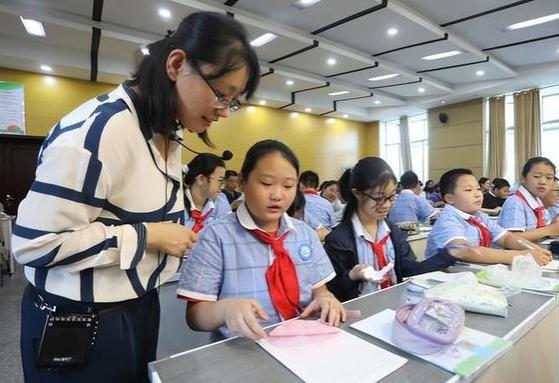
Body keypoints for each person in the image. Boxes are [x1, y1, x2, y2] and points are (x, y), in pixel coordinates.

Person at [12, 12, 260, 383]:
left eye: (234, 101)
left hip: (137, 307)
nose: (225, 111)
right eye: (222, 95)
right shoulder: (101, 131)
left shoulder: (165, 129)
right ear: (177, 64)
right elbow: (34, 244)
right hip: (80, 320)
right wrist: (150, 236)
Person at [177, 140, 345, 340]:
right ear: (242, 181)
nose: (277, 195)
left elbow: (319, 288)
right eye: (266, 183)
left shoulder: (305, 233)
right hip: (244, 350)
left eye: (288, 185)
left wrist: (325, 297)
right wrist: (224, 310)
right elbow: (195, 317)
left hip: (303, 342)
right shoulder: (214, 237)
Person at [323, 158, 459, 302]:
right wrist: (352, 276)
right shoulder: (339, 239)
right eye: (380, 198)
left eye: (392, 197)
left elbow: (409, 270)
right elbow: (331, 290)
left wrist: (449, 255)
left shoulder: (392, 232)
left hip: (393, 306)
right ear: (357, 194)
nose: (387, 205)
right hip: (360, 313)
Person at [425, 169, 551, 265]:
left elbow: (506, 238)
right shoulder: (448, 219)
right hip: (444, 281)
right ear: (449, 199)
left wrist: (534, 249)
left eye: (478, 189)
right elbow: (464, 251)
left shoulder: (479, 216)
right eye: (469, 190)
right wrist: (521, 256)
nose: (478, 195)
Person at [499, 157, 559, 242]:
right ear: (523, 178)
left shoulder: (538, 201)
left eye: (549, 178)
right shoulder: (515, 202)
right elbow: (512, 238)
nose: (543, 182)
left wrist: (555, 228)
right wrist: (549, 230)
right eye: (537, 176)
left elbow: (541, 231)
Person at [182, 151, 232, 234]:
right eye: (220, 180)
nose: (222, 187)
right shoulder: (176, 202)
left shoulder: (220, 200)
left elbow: (227, 233)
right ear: (201, 179)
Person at [299, 170, 337, 240]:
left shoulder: (296, 203)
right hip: (324, 243)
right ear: (317, 187)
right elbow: (333, 226)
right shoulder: (327, 204)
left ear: (300, 185)